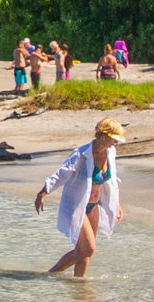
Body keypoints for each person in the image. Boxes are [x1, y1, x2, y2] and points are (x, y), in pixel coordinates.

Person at [34, 117, 126, 277]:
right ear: (104, 135)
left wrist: (116, 203)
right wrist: (43, 192)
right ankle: (80, 288)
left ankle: (51, 274)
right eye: (114, 139)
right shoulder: (81, 155)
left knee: (83, 251)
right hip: (77, 206)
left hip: (94, 206)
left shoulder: (110, 152)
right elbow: (61, 174)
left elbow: (112, 180)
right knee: (88, 248)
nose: (115, 143)